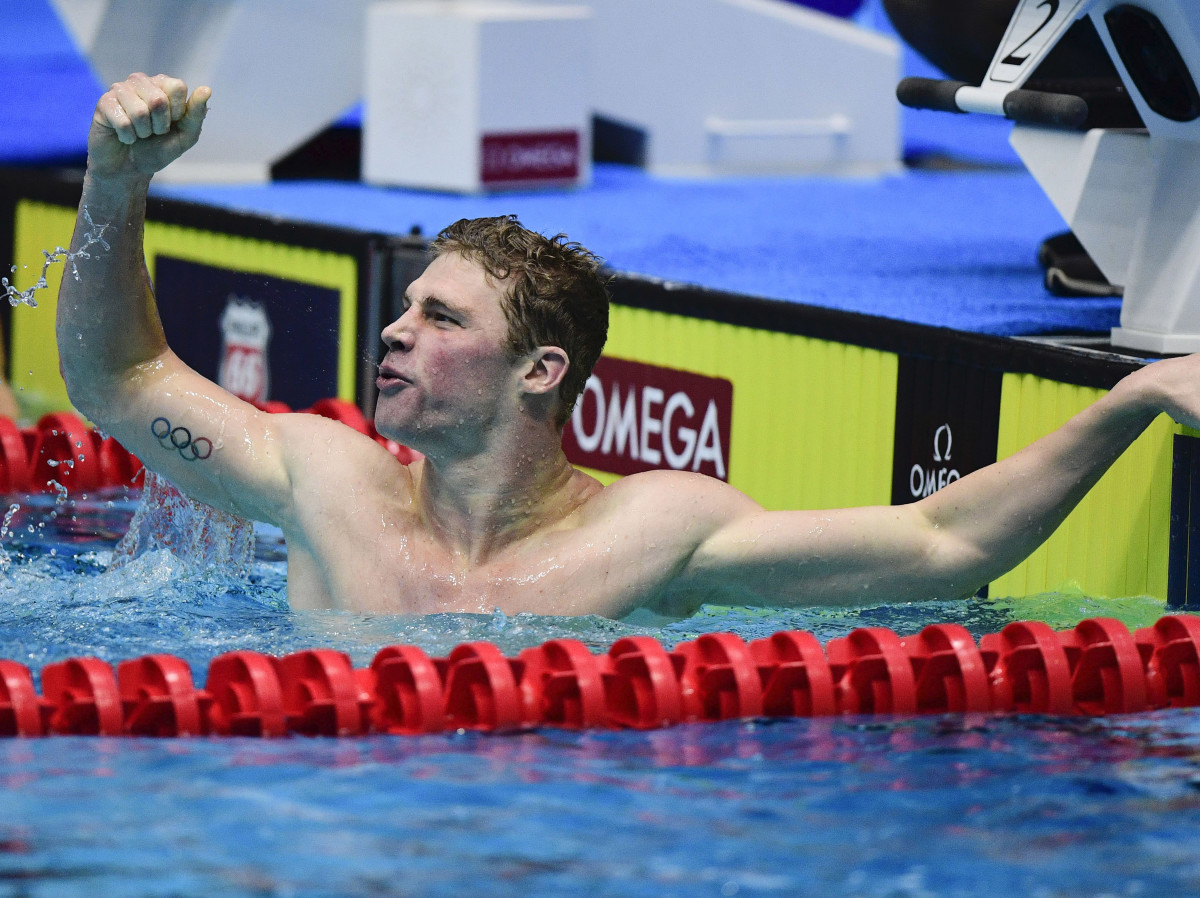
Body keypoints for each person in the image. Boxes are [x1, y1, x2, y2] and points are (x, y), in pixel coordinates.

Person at [57, 73, 1200, 619]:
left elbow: (942, 543)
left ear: (541, 373)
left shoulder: (654, 532)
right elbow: (120, 378)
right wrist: (118, 183)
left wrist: (1132, 398)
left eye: (442, 319)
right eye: (407, 310)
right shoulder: (327, 480)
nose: (395, 332)